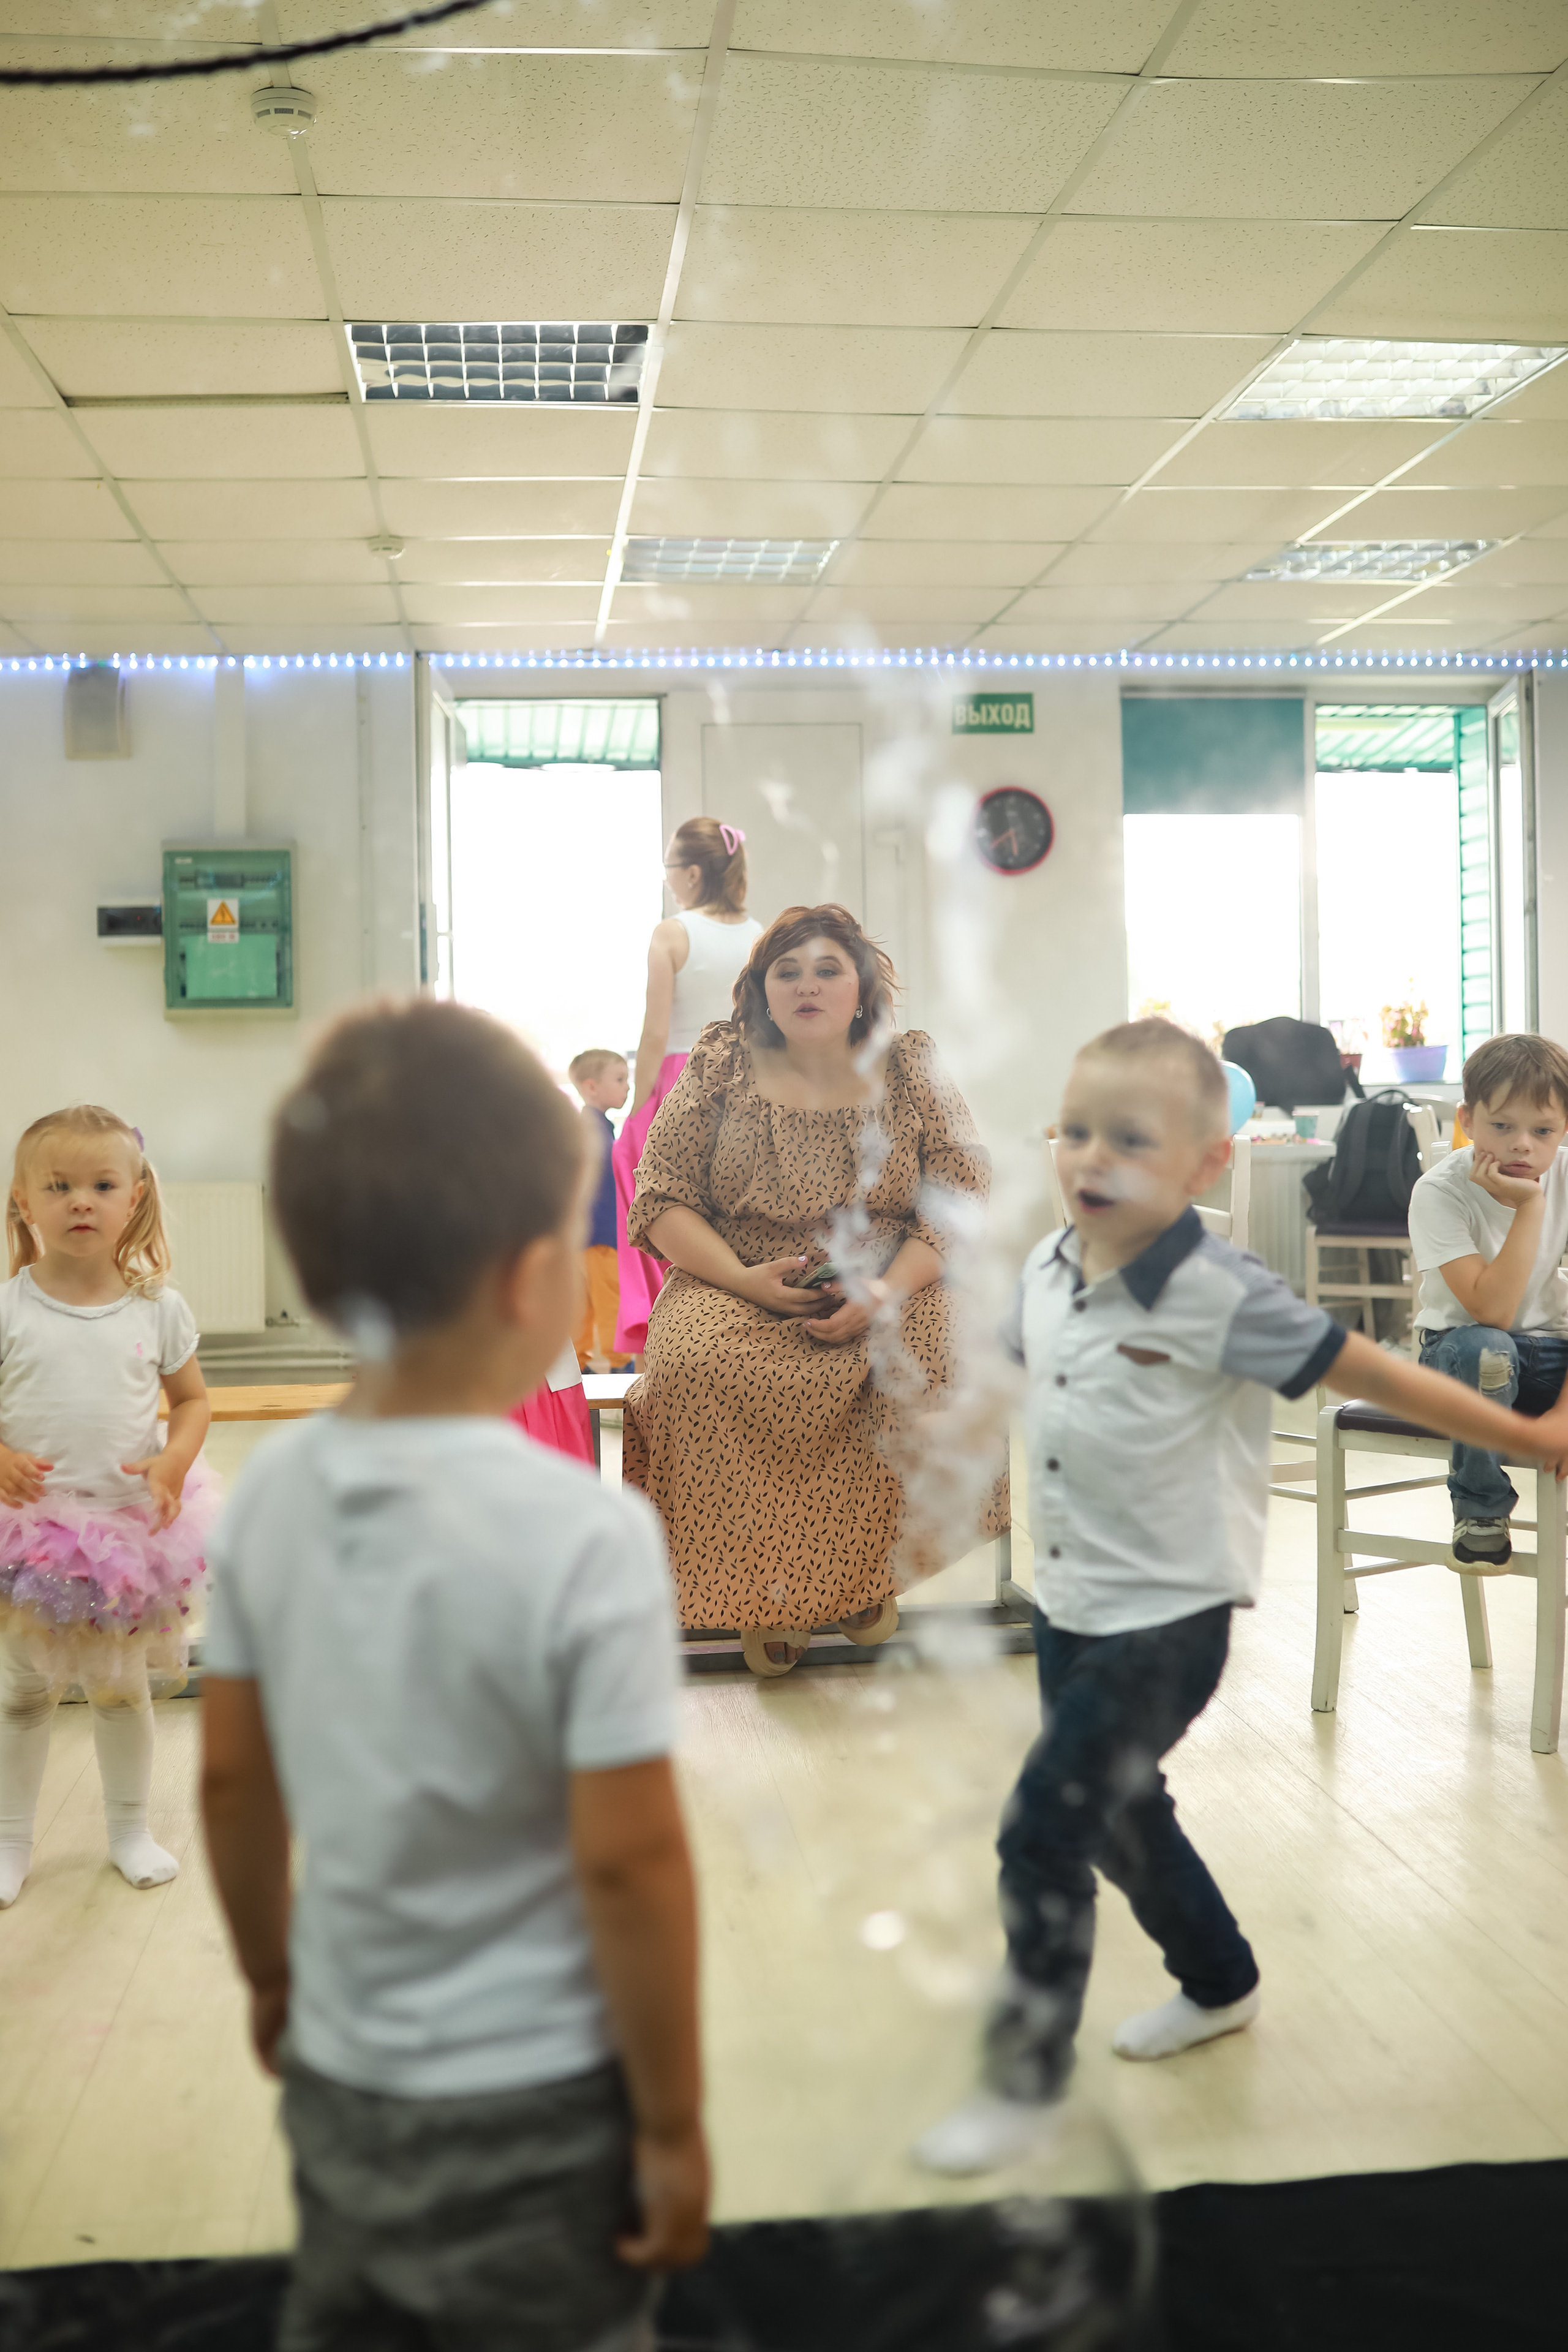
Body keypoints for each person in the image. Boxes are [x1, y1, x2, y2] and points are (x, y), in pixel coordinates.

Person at [914, 1018, 1568, 2176]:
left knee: (1040, 1834)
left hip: (1168, 1615)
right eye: (1075, 1132)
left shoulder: (1222, 1291)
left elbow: (1368, 1369)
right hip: (1071, 1596)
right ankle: (1219, 1981)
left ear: (1206, 1163)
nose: (1091, 1158)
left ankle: (1023, 2088)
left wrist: (1521, 1436)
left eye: (1131, 1137)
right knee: (1124, 1812)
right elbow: (1017, 1369)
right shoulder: (1050, 1265)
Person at [200, 1000, 707, 2352]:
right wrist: (669, 2118)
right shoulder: (587, 1532)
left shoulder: (271, 1498)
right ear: (534, 1277)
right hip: (538, 2077)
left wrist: (268, 1974)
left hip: (346, 2059)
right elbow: (632, 1863)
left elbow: (235, 1782)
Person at [622, 903, 1005, 1678]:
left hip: (894, 1272)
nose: (807, 985)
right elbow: (659, 1197)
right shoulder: (719, 1061)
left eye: (829, 969)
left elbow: (962, 1193)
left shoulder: (911, 1063)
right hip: (737, 1274)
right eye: (785, 971)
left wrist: (884, 1294)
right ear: (758, 991)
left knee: (917, 1361)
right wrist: (740, 1281)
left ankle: (861, 1578)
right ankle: (762, 1595)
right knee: (693, 1369)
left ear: (862, 987)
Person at [0, 1106, 214, 1908]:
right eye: (59, 1186)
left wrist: (172, 1462)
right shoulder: (9, 1308)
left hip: (127, 1535)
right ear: (25, 1203)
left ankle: (129, 1830)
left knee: (122, 1690)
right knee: (25, 1693)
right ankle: (11, 1839)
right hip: (28, 1540)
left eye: (101, 1184)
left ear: (134, 1199)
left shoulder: (157, 1308)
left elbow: (191, 1403)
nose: (80, 1201)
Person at [1409, 1031, 1568, 1569]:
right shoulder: (1440, 1191)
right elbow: (1491, 1312)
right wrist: (1530, 1207)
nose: (1523, 1144)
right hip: (1460, 1356)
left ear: (1565, 1127)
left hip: (1552, 1354)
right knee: (1488, 1349)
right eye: (1502, 1127)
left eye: (1543, 1130)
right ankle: (1481, 1507)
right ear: (1467, 1121)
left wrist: (1566, 1415)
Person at [614, 818, 762, 1363]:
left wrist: (636, 1111)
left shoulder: (672, 933)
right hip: (747, 1087)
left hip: (681, 1081)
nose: (669, 880)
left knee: (655, 1210)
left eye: (671, 869)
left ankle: (658, 1338)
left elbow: (655, 1032)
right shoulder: (760, 935)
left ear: (694, 873)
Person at [570, 1048, 633, 1374]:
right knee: (610, 1306)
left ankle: (584, 1369)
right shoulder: (591, 1131)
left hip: (591, 1235)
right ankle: (618, 1371)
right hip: (601, 1234)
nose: (627, 1087)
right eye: (620, 1079)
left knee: (587, 1308)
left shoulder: (597, 1127)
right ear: (592, 1086)